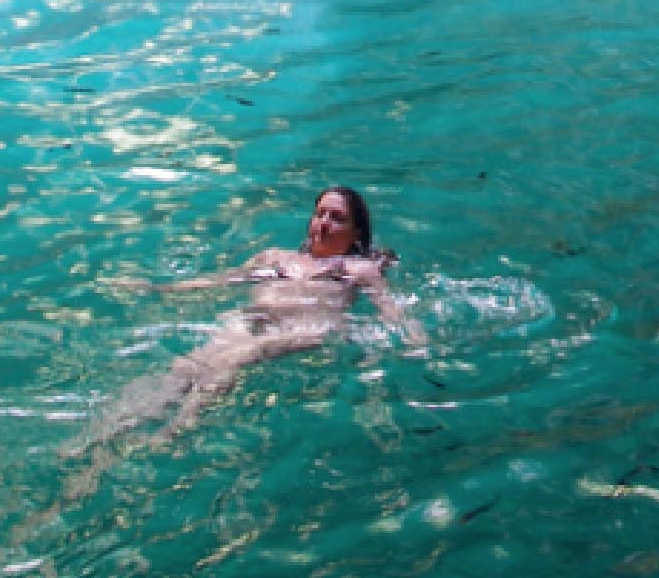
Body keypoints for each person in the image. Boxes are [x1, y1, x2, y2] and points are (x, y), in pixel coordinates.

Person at [106, 186, 425, 440]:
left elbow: (388, 306)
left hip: (306, 327)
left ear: (356, 233)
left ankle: (172, 434)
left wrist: (413, 337)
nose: (323, 223)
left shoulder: (357, 268)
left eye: (337, 218)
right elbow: (220, 281)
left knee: (229, 360)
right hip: (254, 323)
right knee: (183, 368)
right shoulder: (274, 257)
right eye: (319, 214)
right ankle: (107, 433)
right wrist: (156, 288)